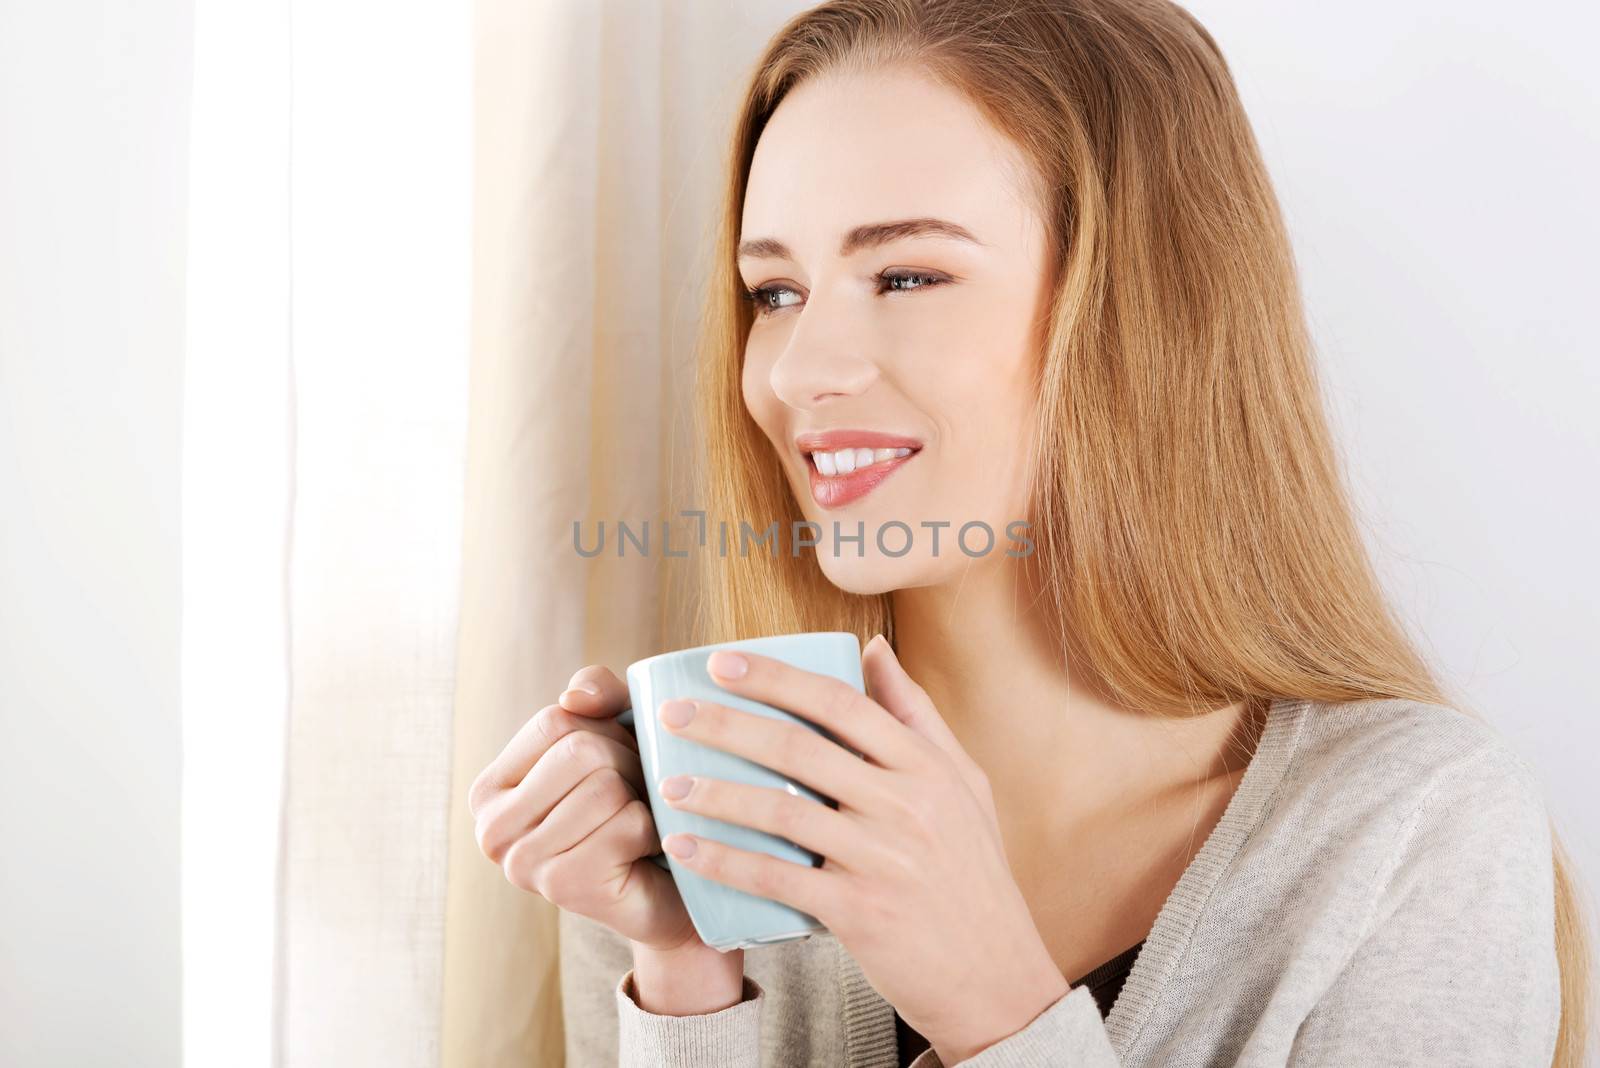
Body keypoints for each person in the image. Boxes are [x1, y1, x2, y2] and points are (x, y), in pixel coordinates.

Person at [466, 1, 1592, 1064]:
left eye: (906, 274)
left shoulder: (1408, 831)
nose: (799, 371)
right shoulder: (701, 821)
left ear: (1143, 310)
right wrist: (688, 975)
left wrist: (993, 1005)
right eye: (775, 293)